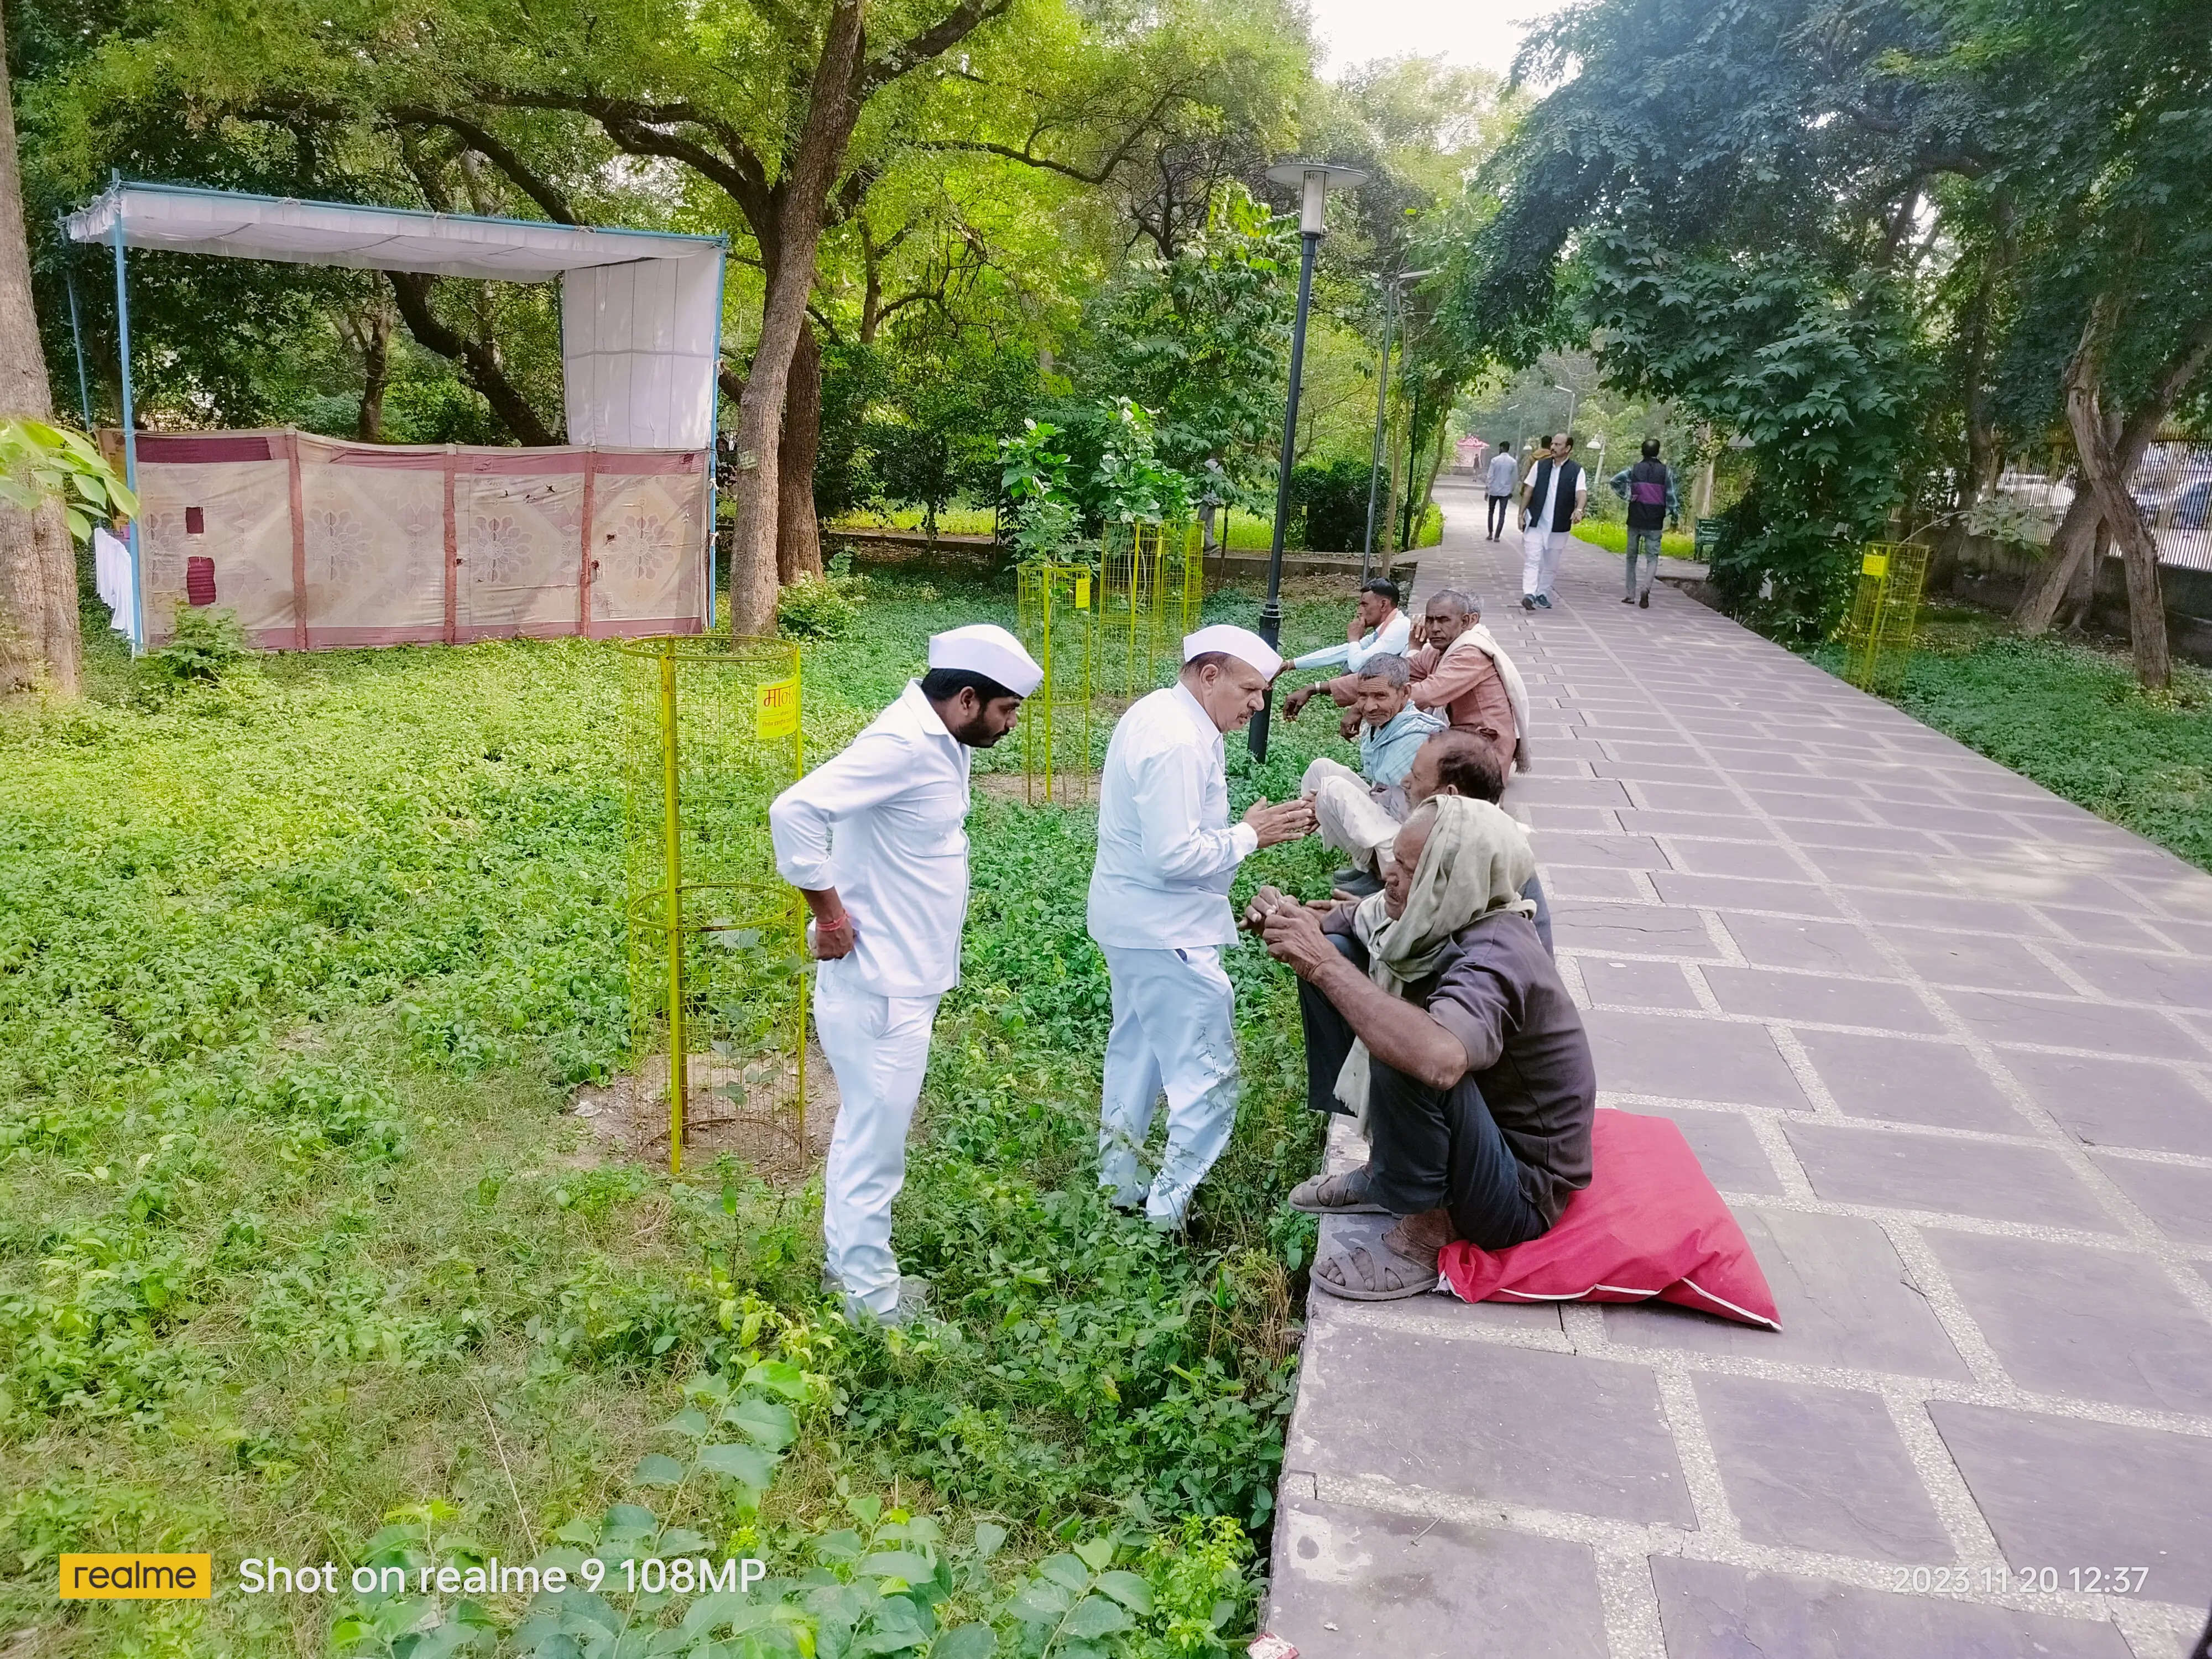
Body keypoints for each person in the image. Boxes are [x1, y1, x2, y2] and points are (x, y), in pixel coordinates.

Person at [769, 623, 1043, 1326]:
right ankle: (869, 1305)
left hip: (903, 978)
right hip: (881, 986)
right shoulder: (901, 746)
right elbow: (794, 810)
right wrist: (829, 914)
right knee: (875, 1145)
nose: (1010, 727)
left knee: (868, 1133)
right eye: (1007, 712)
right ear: (967, 699)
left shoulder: (938, 739)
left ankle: (849, 1273)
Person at [1252, 796, 1597, 1300]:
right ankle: (1389, 1174)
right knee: (1348, 964)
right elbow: (1353, 925)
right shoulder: (1441, 915)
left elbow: (1439, 1060)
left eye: (1410, 868)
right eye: (1396, 858)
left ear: (1450, 880)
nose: (1389, 874)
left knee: (1408, 1046)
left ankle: (1427, 1232)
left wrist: (1322, 964)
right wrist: (1287, 918)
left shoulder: (1496, 954)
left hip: (1521, 1193)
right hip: (1488, 1138)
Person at [1089, 625, 1316, 1230]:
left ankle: (1119, 1186)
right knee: (1207, 1075)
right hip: (1166, 932)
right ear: (1208, 674)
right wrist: (1249, 835)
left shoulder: (1167, 715)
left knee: (1136, 1054)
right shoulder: (1177, 742)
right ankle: (1169, 1215)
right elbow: (1172, 855)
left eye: (1264, 692)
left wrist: (1239, 831)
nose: (1258, 705)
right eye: (1250, 689)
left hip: (1135, 921)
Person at [1301, 725, 1553, 953]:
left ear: (1449, 795)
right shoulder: (1459, 836)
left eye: (1416, 776)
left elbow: (1422, 938)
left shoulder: (1475, 861)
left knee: (1332, 951)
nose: (1404, 782)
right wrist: (1351, 915)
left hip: (1462, 992)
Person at [1292, 588, 1527, 782]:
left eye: (1444, 620)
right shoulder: (1439, 651)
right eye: (1430, 620)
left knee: (1411, 741)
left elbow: (1428, 693)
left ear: (1466, 622)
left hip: (1485, 750)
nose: (1434, 628)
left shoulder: (1470, 653)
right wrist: (1316, 687)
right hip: (1461, 738)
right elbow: (1389, 676)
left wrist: (1360, 707)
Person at [1287, 577, 1413, 675]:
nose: (1359, 611)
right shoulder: (1383, 630)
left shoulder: (1400, 628)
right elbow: (1341, 652)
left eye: (1364, 605)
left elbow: (1356, 666)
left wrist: (1354, 639)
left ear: (1383, 605)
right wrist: (1291, 664)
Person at [1610, 438, 1681, 609]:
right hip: (1655, 520)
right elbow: (1671, 496)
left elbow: (1614, 481)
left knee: (1631, 558)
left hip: (1635, 517)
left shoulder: (1633, 470)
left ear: (1642, 452)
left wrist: (1628, 496)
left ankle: (1629, 595)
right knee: (1652, 558)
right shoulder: (1666, 472)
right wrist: (1674, 515)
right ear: (1658, 452)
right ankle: (1646, 589)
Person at [1519, 432, 1587, 611]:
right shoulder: (1540, 466)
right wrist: (1521, 514)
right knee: (1533, 559)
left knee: (1551, 563)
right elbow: (1528, 491)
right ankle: (1529, 594)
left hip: (1559, 525)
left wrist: (1579, 510)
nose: (1553, 447)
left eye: (1558, 445)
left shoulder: (1576, 470)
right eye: (1553, 444)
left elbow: (1581, 493)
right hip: (1536, 522)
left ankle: (1542, 593)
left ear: (1568, 449)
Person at [1484, 441, 1519, 541]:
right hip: (1505, 492)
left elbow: (1490, 476)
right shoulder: (1513, 462)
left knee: (1491, 512)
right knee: (1502, 513)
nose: (1499, 449)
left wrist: (1487, 490)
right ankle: (1497, 536)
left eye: (1500, 448)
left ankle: (1490, 533)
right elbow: (1515, 478)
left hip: (1494, 490)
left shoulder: (1495, 460)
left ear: (1503, 448)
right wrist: (1512, 490)